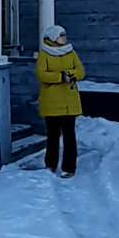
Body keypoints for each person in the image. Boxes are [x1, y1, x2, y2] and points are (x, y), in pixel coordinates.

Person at [36, 24, 85, 177]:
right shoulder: (44, 55)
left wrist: (70, 74)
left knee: (70, 137)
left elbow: (80, 71)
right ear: (52, 38)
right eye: (61, 35)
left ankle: (69, 168)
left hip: (69, 103)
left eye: (64, 35)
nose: (64, 38)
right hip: (51, 102)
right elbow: (41, 74)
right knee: (52, 136)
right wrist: (60, 77)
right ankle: (50, 165)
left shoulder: (71, 52)